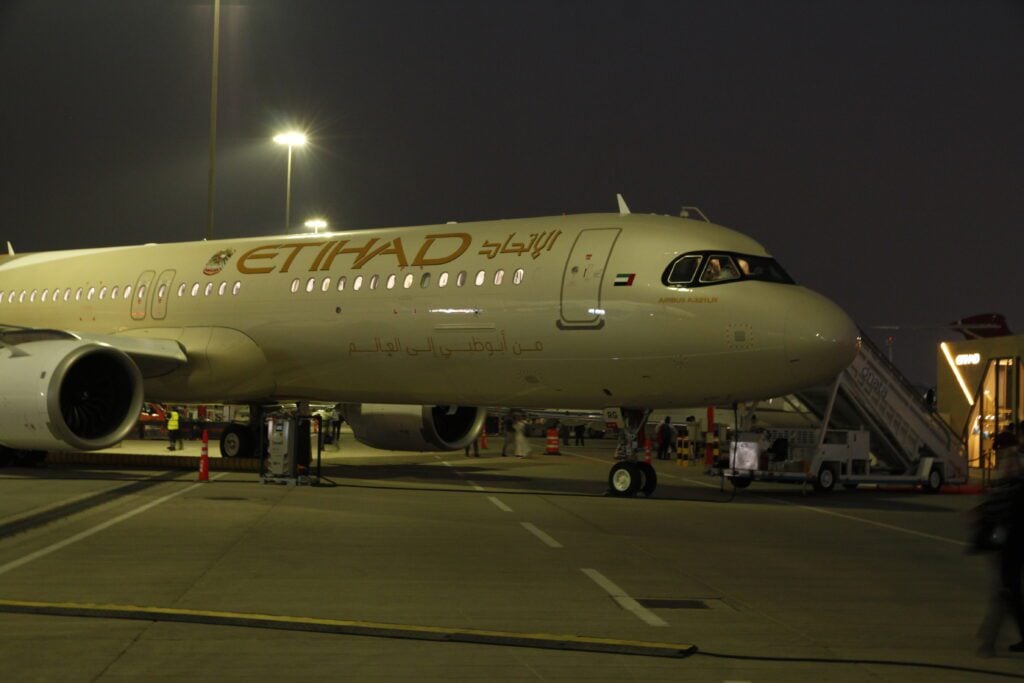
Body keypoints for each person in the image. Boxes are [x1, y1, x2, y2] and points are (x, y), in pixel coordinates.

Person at [976, 432, 1024, 656]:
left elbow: (1005, 502)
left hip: (1012, 538)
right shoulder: (1013, 467)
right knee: (1009, 589)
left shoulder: (1014, 467)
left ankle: (989, 638)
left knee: (1007, 590)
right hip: (1009, 538)